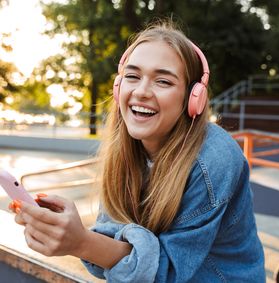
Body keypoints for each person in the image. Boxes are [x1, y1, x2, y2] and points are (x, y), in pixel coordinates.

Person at [9, 20, 265, 282]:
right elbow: (114, 252)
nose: (141, 92)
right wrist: (67, 231)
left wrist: (81, 242)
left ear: (193, 98)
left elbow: (166, 273)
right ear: (118, 87)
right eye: (132, 76)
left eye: (163, 81)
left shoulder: (214, 160)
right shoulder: (126, 149)